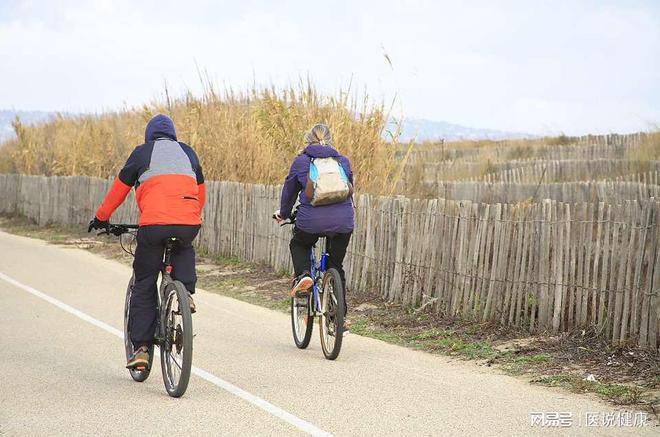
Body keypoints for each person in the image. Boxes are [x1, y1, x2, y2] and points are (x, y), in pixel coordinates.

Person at [88, 114, 205, 369]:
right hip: (188, 222)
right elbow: (200, 191)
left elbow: (118, 190)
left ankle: (141, 349)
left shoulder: (142, 153)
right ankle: (185, 292)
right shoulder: (188, 153)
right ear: (173, 134)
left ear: (148, 135)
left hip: (153, 226)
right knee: (183, 245)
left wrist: (101, 218)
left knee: (144, 282)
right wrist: (189, 216)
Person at [275, 123, 354, 322]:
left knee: (299, 243)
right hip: (343, 222)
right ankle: (338, 318)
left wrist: (283, 214)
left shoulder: (301, 162)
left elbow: (289, 191)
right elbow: (349, 189)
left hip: (311, 222)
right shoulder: (342, 161)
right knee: (335, 265)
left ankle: (303, 276)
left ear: (308, 140)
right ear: (330, 140)